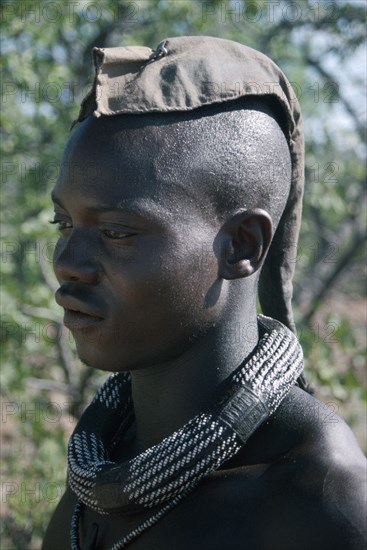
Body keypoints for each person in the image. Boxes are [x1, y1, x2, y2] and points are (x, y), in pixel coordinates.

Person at [42, 36, 366, 550]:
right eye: (64, 222)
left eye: (117, 232)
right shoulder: (102, 468)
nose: (67, 263)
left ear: (241, 245)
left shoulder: (319, 499)